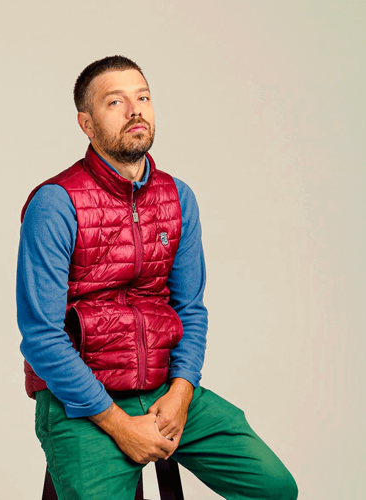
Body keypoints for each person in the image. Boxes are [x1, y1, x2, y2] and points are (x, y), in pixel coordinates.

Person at [16, 55, 298, 500]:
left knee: (274, 489)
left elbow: (190, 308)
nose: (135, 111)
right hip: (82, 403)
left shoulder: (177, 196)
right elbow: (41, 336)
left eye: (143, 98)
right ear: (86, 124)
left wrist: (182, 391)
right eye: (115, 102)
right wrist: (118, 424)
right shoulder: (55, 204)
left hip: (166, 389)